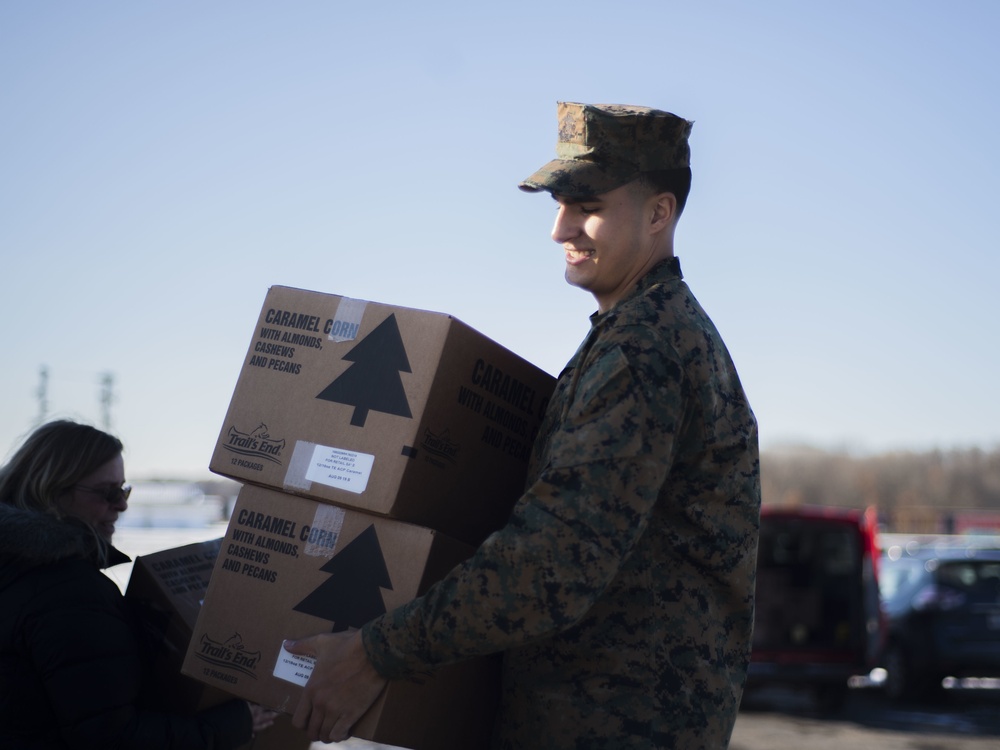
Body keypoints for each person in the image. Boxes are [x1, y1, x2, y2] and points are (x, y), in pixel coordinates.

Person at [286, 102, 761, 748]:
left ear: (658, 214)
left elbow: (555, 562)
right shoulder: (651, 334)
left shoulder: (642, 351)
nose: (561, 228)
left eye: (586, 204)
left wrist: (377, 652)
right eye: (557, 205)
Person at [0, 419, 277, 749]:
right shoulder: (68, 594)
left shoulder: (17, 569)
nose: (122, 505)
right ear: (51, 491)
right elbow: (112, 738)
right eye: (108, 493)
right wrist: (236, 723)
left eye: (125, 490)